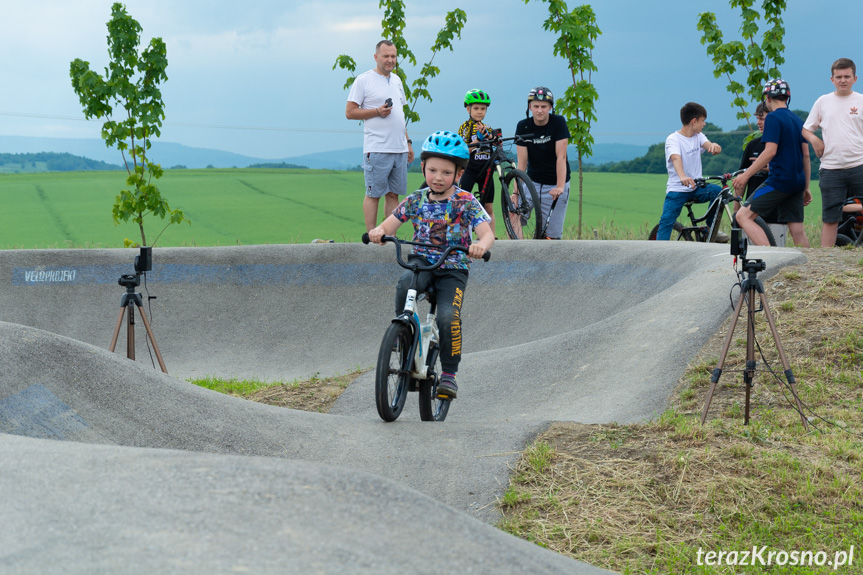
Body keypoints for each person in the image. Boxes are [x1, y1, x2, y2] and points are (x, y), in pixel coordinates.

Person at [368, 131, 494, 399]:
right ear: (423, 168)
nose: (438, 177)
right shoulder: (417, 199)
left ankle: (449, 374)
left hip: (454, 267)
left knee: (448, 316)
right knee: (404, 284)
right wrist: (379, 231)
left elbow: (487, 232)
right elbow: (392, 222)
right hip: (422, 260)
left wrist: (480, 245)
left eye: (446, 172)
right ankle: (402, 334)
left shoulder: (466, 202)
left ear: (458, 175)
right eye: (433, 170)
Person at [346, 40, 415, 232]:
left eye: (393, 56)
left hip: (399, 148)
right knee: (373, 194)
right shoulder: (363, 80)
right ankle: (371, 235)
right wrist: (376, 111)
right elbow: (350, 112)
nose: (390, 60)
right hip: (377, 148)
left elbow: (400, 115)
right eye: (386, 56)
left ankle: (388, 235)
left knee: (394, 195)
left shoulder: (397, 80)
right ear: (376, 57)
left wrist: (408, 142)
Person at [733, 79, 811, 247]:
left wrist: (745, 176)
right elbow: (806, 156)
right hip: (797, 183)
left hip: (778, 182)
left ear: (767, 97)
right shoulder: (798, 120)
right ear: (787, 98)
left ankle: (771, 255)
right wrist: (806, 187)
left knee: (742, 216)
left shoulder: (773, 118)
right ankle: (809, 267)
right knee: (797, 229)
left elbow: (770, 152)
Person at [802, 58, 863, 247]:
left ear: (855, 78)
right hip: (831, 167)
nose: (843, 80)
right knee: (830, 215)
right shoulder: (823, 101)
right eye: (839, 77)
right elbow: (805, 129)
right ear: (832, 79)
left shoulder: (861, 100)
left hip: (859, 164)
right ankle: (825, 257)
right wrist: (814, 139)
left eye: (847, 76)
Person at [656, 102, 723, 241]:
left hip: (697, 188)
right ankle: (659, 251)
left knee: (717, 191)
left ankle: (711, 230)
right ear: (694, 121)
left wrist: (714, 146)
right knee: (666, 221)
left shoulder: (698, 136)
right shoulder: (673, 139)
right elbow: (675, 158)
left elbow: (708, 145)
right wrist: (682, 177)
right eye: (703, 121)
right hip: (677, 189)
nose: (704, 124)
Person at [514, 87, 570, 239]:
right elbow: (522, 163)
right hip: (532, 181)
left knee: (551, 236)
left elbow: (561, 157)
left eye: (544, 106)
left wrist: (560, 186)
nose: (539, 110)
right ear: (530, 107)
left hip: (554, 183)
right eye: (536, 106)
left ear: (550, 107)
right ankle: (517, 248)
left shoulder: (558, 122)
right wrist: (515, 192)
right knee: (512, 210)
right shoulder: (523, 126)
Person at [458, 89, 496, 234]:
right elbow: (463, 151)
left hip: (486, 171)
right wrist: (478, 139)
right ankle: (462, 236)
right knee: (463, 205)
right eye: (476, 108)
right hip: (470, 170)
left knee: (489, 208)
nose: (480, 112)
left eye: (483, 108)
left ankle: (492, 238)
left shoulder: (488, 128)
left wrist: (493, 138)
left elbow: (495, 145)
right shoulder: (465, 128)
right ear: (468, 109)